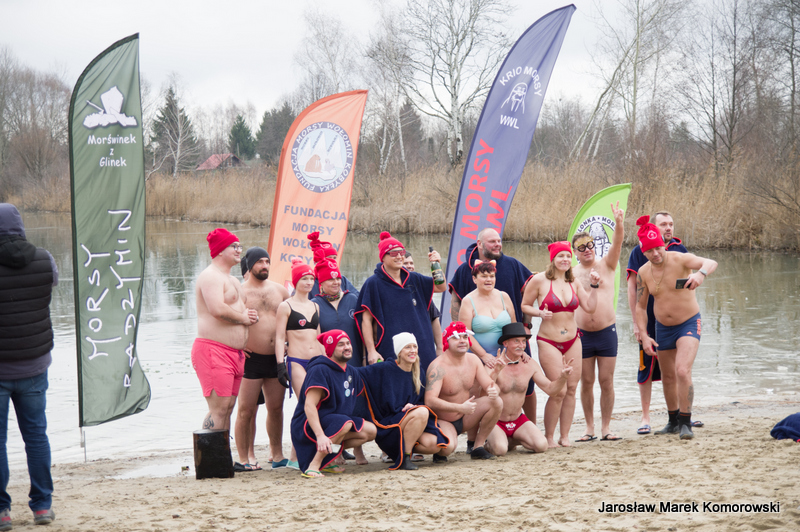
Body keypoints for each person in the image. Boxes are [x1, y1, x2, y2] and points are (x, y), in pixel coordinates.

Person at [633, 216, 717, 440]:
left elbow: (710, 262)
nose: (656, 254)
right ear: (643, 251)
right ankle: (672, 421)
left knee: (682, 371)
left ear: (663, 244)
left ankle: (686, 422)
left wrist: (700, 274)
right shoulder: (643, 272)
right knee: (668, 376)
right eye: (650, 251)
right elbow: (640, 307)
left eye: (658, 248)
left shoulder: (680, 259)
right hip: (663, 327)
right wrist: (644, 336)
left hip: (688, 322)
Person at [0, 203, 57, 526]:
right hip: (34, 365)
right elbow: (49, 287)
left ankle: (2, 511)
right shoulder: (45, 260)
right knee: (36, 436)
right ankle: (42, 506)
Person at [448, 228, 536, 429]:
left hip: (513, 344)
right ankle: (480, 435)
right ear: (479, 244)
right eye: (492, 241)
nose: (498, 244)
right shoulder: (464, 271)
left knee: (526, 386)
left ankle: (529, 426)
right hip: (480, 352)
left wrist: (527, 327)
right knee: (481, 391)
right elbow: (455, 303)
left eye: (499, 240)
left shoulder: (512, 266)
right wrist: (459, 339)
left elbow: (531, 291)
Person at [521, 242, 599, 447]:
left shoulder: (574, 282)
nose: (565, 259)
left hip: (573, 340)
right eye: (560, 256)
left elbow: (590, 307)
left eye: (567, 256)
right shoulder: (539, 280)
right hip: (549, 341)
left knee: (571, 389)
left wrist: (595, 286)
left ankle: (564, 436)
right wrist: (540, 313)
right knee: (558, 391)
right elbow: (525, 305)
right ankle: (548, 437)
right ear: (553, 259)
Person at [626, 211, 689, 435]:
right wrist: (636, 324)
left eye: (671, 224)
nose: (668, 228)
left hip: (676, 319)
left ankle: (684, 414)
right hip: (648, 319)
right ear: (653, 227)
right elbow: (632, 288)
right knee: (646, 367)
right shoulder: (639, 251)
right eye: (663, 224)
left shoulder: (679, 249)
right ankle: (645, 417)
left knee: (680, 368)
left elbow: (688, 284)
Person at [193, 228, 258, 431]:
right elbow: (217, 309)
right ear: (220, 250)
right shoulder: (210, 276)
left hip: (234, 354)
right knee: (218, 409)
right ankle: (207, 452)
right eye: (234, 246)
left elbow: (238, 309)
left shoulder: (232, 280)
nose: (239, 250)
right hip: (213, 350)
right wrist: (244, 318)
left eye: (239, 246)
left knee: (228, 407)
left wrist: (249, 316)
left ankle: (223, 451)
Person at [289, 330, 377, 478]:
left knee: (370, 431)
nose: (347, 347)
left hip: (334, 423)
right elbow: (309, 406)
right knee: (345, 423)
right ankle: (314, 465)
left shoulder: (352, 372)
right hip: (307, 426)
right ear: (330, 349)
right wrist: (320, 436)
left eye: (348, 343)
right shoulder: (320, 369)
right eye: (340, 345)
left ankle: (328, 459)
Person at [355, 232, 446, 374]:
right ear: (383, 257)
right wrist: (371, 351)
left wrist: (437, 265)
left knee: (425, 384)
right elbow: (366, 320)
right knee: (396, 384)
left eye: (401, 252)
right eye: (393, 253)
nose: (399, 256)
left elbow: (441, 287)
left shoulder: (414, 278)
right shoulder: (373, 283)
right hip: (391, 350)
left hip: (422, 347)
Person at [233, 247, 290, 472]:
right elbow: (225, 320)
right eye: (259, 262)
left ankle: (277, 454)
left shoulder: (280, 290)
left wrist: (289, 343)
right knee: (246, 410)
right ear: (250, 265)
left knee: (276, 408)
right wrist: (237, 344)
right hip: (251, 359)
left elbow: (294, 318)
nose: (264, 266)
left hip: (275, 358)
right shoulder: (240, 292)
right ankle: (246, 457)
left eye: (267, 261)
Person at [358, 333, 450, 470]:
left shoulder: (418, 372)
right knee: (422, 412)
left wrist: (413, 406)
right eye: (407, 347)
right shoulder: (385, 368)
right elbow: (354, 374)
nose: (412, 350)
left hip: (407, 420)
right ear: (399, 352)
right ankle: (404, 458)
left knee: (433, 445)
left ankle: (402, 448)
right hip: (388, 425)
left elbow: (421, 401)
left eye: (414, 347)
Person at [573, 202, 625, 442]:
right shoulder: (571, 273)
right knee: (586, 382)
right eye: (581, 247)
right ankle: (589, 428)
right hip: (582, 334)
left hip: (606, 332)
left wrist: (619, 222)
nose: (587, 250)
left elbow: (617, 243)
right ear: (575, 252)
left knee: (606, 381)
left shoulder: (607, 264)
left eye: (590, 245)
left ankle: (606, 428)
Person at [485, 323, 573, 456]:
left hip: (518, 419)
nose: (521, 345)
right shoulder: (494, 363)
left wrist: (563, 377)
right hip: (496, 420)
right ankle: (489, 443)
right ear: (505, 343)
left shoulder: (529, 364)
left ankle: (512, 439)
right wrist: (496, 372)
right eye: (516, 341)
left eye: (523, 341)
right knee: (500, 450)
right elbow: (484, 391)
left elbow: (551, 390)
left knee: (541, 445)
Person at [424, 322, 504, 460]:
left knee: (496, 401)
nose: (462, 340)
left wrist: (494, 390)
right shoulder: (438, 367)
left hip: (465, 416)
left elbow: (489, 385)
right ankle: (441, 444)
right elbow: (429, 401)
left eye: (465, 337)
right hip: (444, 420)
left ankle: (477, 447)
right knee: (447, 449)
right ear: (446, 341)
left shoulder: (473, 360)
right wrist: (460, 407)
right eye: (456, 337)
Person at [458, 260, 516, 364]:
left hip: (507, 355)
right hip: (478, 357)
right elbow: (465, 333)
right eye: (484, 276)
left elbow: (514, 327)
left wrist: (518, 351)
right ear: (474, 279)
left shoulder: (504, 296)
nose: (488, 279)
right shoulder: (468, 301)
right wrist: (483, 355)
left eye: (492, 276)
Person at [401, 250, 444, 358]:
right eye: (405, 263)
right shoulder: (387, 288)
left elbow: (434, 318)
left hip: (424, 347)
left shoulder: (420, 288)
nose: (409, 266)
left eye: (411, 263)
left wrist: (440, 347)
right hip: (401, 349)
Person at [307, 231, 358, 297]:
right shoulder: (309, 282)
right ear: (318, 262)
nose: (332, 261)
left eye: (334, 258)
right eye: (329, 258)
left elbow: (358, 298)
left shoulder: (342, 280)